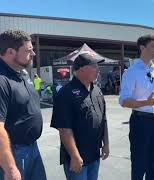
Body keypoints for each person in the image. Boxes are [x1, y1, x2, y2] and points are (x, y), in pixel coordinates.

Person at [50, 53, 110, 180]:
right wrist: (74, 155)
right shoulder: (66, 93)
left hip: (94, 155)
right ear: (81, 69)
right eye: (94, 66)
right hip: (78, 158)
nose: (98, 70)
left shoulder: (97, 90)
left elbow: (103, 119)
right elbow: (64, 129)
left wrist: (106, 143)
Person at [0, 30, 46, 180]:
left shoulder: (23, 73)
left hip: (32, 148)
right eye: (28, 50)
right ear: (10, 52)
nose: (33, 54)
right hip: (14, 153)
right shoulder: (2, 80)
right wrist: (10, 168)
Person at [119, 34, 154, 180]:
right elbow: (124, 101)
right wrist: (145, 102)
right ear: (142, 48)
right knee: (139, 164)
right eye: (153, 46)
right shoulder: (131, 72)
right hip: (140, 122)